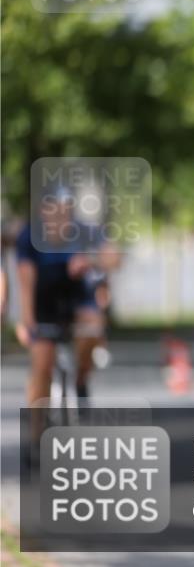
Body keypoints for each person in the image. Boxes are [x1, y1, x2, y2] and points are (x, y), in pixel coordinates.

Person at [16, 188, 117, 455]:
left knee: (92, 328)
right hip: (44, 303)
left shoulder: (85, 232)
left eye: (64, 211)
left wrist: (90, 259)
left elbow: (113, 258)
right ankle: (36, 435)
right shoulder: (29, 237)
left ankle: (81, 379)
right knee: (42, 365)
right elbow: (26, 280)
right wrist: (27, 320)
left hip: (78, 300)